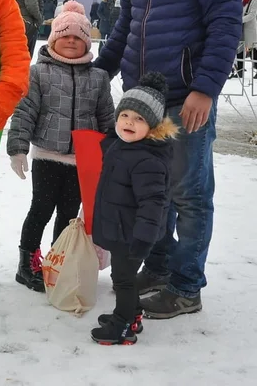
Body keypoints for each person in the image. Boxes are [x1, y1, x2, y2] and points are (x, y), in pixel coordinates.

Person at [95, 0, 242, 320]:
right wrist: (98, 71)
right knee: (150, 192)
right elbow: (126, 26)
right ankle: (158, 269)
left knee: (189, 195)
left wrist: (205, 90)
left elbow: (224, 30)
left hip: (184, 101)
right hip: (142, 103)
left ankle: (185, 286)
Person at [6, 0, 115, 292]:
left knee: (69, 215)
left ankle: (58, 260)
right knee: (41, 208)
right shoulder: (39, 73)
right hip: (48, 155)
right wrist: (17, 148)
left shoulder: (98, 77)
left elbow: (106, 117)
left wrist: (111, 155)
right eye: (65, 35)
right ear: (54, 39)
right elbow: (25, 110)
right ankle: (26, 263)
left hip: (82, 159)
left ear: (86, 42)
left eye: (78, 37)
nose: (71, 40)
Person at [89, 72, 177, 345]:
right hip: (120, 227)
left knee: (123, 281)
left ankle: (124, 324)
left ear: (151, 127)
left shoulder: (147, 160)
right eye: (125, 115)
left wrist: (142, 239)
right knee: (122, 278)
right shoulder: (121, 146)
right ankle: (132, 313)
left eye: (139, 119)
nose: (129, 122)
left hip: (132, 235)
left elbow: (153, 204)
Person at [236, 0, 257, 80]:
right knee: (240, 49)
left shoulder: (254, 1)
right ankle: (240, 70)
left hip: (249, 28)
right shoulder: (240, 0)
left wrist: (240, 20)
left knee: (252, 48)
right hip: (240, 28)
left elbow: (252, 15)